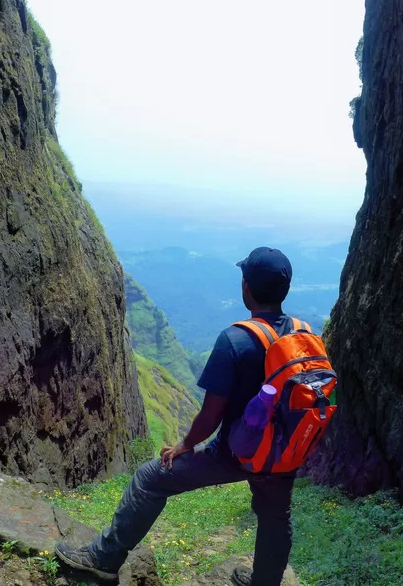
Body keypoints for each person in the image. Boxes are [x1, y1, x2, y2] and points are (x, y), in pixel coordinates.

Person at [56, 247, 301, 586]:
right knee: (275, 516)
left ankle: (104, 558)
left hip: (236, 454)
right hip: (284, 453)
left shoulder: (236, 340)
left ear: (246, 287)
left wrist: (185, 445)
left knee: (149, 479)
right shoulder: (304, 335)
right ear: (284, 290)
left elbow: (211, 414)